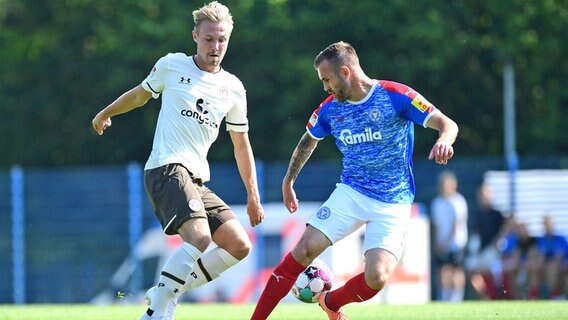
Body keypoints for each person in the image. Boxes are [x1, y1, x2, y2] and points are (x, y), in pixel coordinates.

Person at [250, 41, 459, 320]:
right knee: (302, 250)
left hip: (393, 200)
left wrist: (444, 140)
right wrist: (288, 181)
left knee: (377, 277)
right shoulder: (329, 109)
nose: (325, 87)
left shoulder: (395, 95)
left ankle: (332, 302)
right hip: (351, 192)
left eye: (327, 79)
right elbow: (307, 142)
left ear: (345, 72)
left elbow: (448, 124)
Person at [91, 2, 265, 319]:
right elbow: (140, 94)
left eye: (222, 39)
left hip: (196, 180)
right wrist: (106, 113)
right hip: (166, 167)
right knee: (199, 237)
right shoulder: (172, 65)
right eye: (209, 38)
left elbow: (242, 145)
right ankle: (156, 312)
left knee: (239, 245)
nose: (216, 46)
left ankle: (164, 291)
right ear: (195, 36)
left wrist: (253, 195)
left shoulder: (234, 89)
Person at [430, 170, 468, 302]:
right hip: (441, 243)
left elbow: (456, 224)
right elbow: (435, 225)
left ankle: (457, 297)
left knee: (456, 269)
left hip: (456, 243)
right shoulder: (436, 203)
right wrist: (437, 243)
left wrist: (445, 241)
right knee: (443, 270)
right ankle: (444, 296)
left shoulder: (458, 201)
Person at [465, 183, 506, 300]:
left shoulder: (498, 215)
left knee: (496, 272)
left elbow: (503, 232)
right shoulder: (476, 215)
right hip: (480, 254)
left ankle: (499, 296)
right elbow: (475, 236)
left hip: (493, 253)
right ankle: (485, 297)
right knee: (471, 271)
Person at [534, 214, 568, 299]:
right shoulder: (541, 240)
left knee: (552, 268)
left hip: (561, 265)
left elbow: (560, 256)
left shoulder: (561, 238)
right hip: (545, 266)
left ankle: (555, 296)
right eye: (545, 224)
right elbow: (539, 255)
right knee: (535, 268)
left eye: (549, 224)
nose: (547, 227)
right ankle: (534, 296)